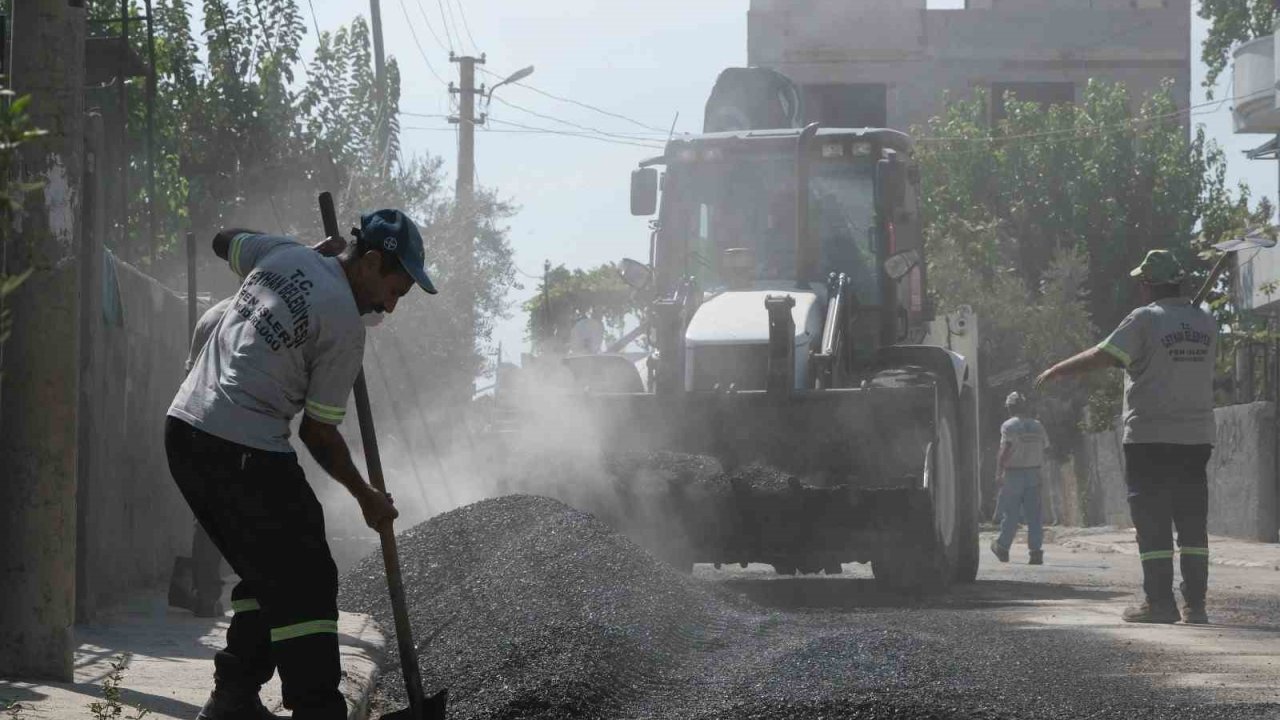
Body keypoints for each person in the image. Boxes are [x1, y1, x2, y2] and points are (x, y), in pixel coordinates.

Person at [165, 209, 437, 720]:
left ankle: (234, 698)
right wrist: (367, 496)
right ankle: (317, 709)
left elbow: (224, 239)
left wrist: (303, 252)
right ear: (371, 262)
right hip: (238, 445)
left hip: (184, 431)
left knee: (269, 568)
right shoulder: (343, 324)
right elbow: (317, 433)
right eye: (394, 291)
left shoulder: (283, 254)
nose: (391, 307)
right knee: (308, 576)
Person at [169, 237, 350, 619]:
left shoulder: (219, 313)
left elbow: (193, 375)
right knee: (253, 531)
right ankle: (215, 594)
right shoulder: (254, 317)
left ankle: (209, 591)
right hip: (239, 437)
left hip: (195, 425)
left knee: (216, 519)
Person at [1036, 249, 1215, 625]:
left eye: (1141, 283)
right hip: (1196, 439)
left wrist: (1058, 369)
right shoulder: (1206, 322)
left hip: (1150, 438)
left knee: (1153, 522)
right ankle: (1196, 606)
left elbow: (1106, 354)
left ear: (1148, 285)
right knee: (1192, 523)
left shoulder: (1145, 319)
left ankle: (1160, 604)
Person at [989, 391, 1049, 565]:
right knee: (1034, 515)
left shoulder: (1009, 425)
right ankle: (1036, 552)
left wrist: (998, 472)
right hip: (1034, 473)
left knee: (1011, 514)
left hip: (1014, 474)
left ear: (1010, 408)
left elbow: (1005, 450)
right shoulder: (1038, 426)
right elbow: (1045, 448)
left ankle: (1003, 547)